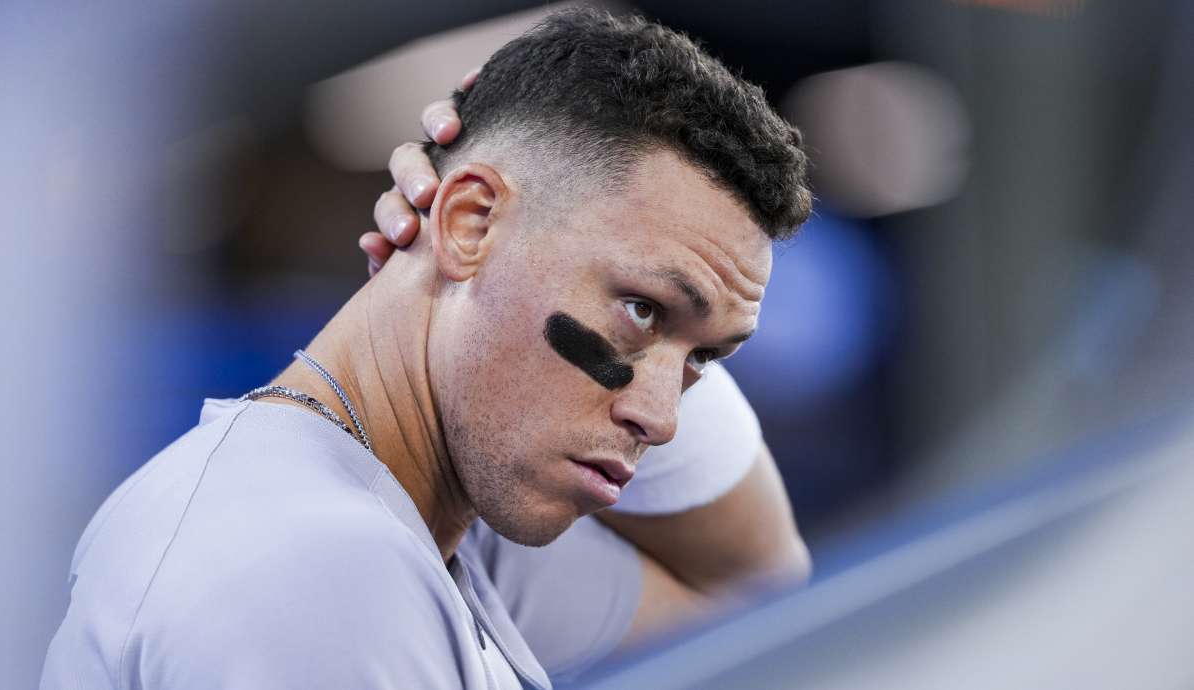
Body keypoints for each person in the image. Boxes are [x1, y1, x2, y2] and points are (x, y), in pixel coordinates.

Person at [41, 9, 811, 689]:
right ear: (470, 222)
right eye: (642, 308)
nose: (663, 419)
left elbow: (753, 605)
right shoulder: (314, 569)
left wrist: (663, 322)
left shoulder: (445, 533)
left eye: (705, 360)